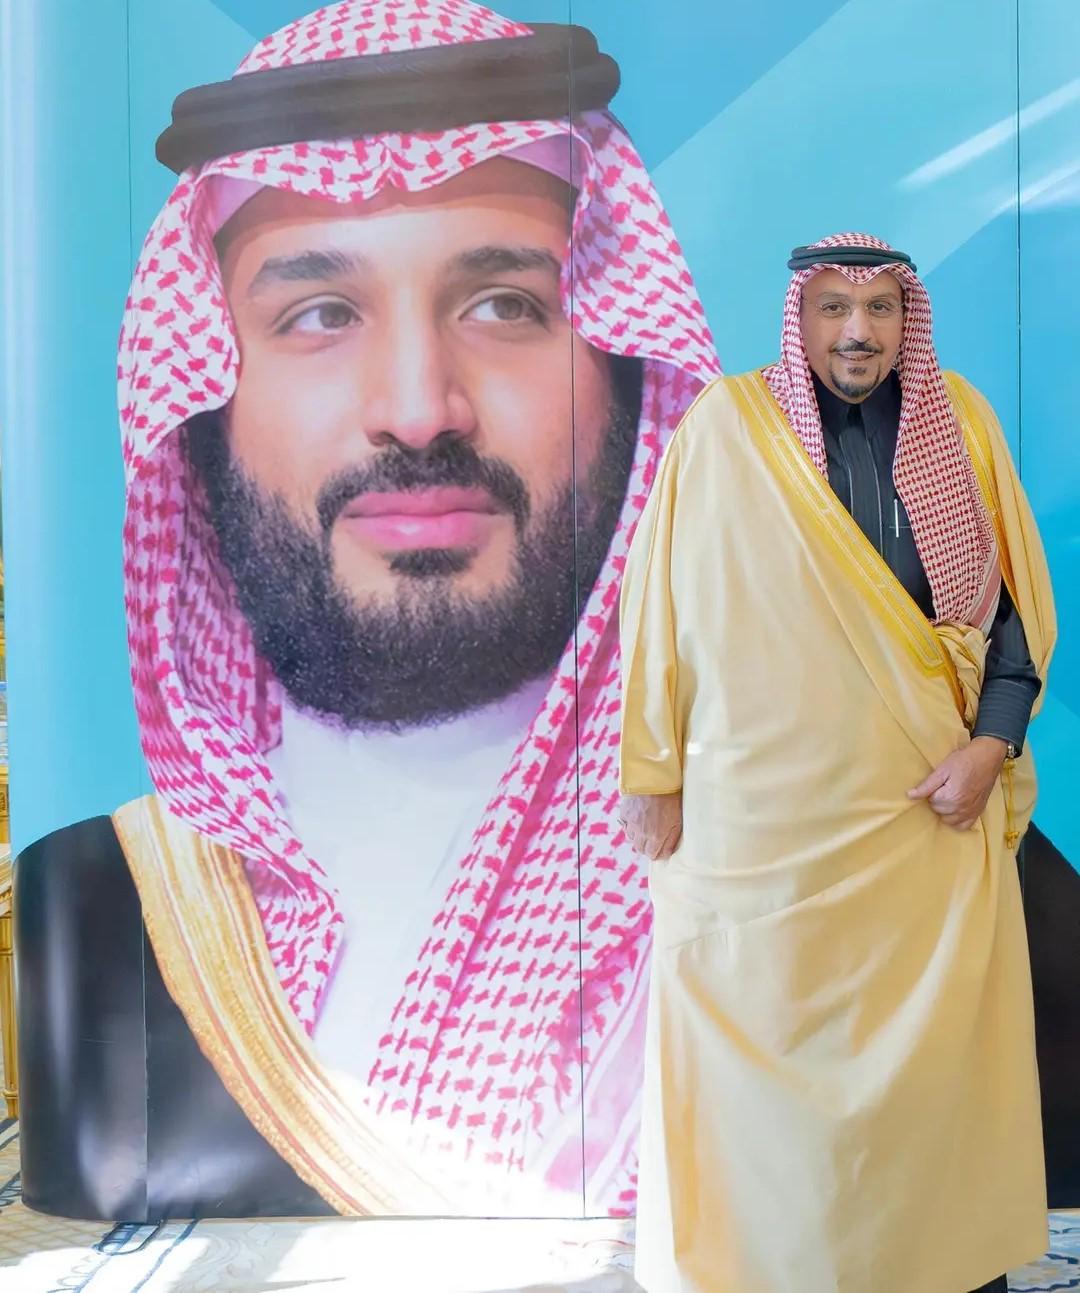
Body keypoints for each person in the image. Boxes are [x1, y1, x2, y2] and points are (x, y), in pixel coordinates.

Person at [14, 0, 720, 1222]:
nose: (419, 407)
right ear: (201, 406)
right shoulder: (99, 899)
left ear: (627, 371)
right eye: (319, 317)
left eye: (505, 305)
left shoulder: (846, 866)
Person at [618, 232, 1056, 1293]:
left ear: (907, 320)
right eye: (831, 307)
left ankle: (943, 1270)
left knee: (930, 1081)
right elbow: (658, 615)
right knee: (759, 1088)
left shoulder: (961, 424)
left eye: (879, 308)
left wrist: (991, 747)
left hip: (928, 819)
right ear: (798, 318)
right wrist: (652, 774)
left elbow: (1011, 624)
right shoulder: (724, 430)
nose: (857, 331)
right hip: (757, 838)